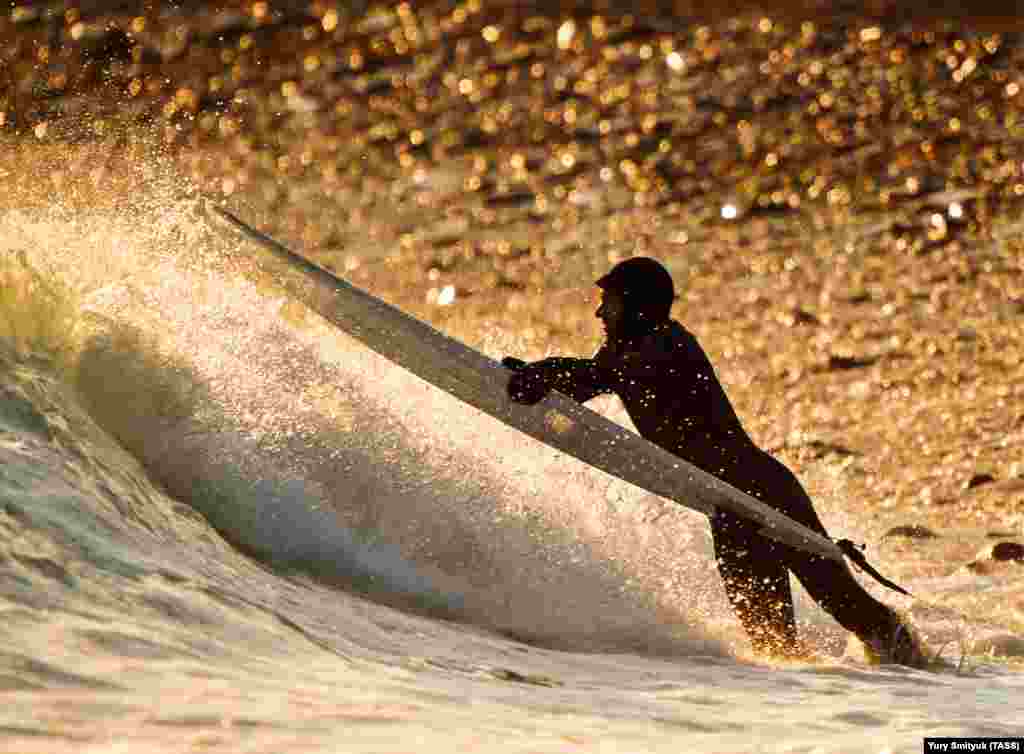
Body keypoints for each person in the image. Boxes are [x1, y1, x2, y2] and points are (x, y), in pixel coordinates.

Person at [502, 256, 927, 667]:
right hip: (729, 509)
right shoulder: (629, 350)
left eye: (609, 301)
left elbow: (596, 376)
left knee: (847, 605)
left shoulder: (667, 344)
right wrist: (536, 378)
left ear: (636, 306)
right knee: (774, 646)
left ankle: (929, 672)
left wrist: (545, 374)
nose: (599, 312)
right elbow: (588, 379)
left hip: (766, 493)